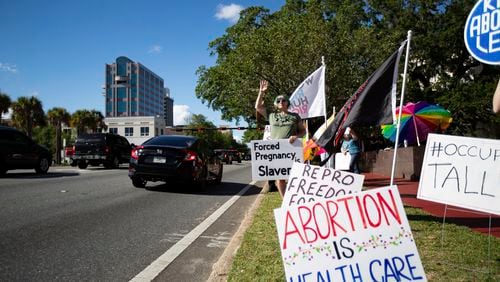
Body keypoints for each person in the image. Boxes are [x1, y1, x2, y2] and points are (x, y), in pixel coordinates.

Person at [255, 79, 305, 198]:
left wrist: (296, 136)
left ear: (288, 103)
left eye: (284, 100)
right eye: (278, 100)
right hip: (276, 151)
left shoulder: (295, 116)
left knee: (294, 176)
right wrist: (261, 92)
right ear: (276, 104)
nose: (281, 102)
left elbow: (303, 131)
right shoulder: (272, 116)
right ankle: (285, 201)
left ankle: (295, 197)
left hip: (291, 149)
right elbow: (257, 107)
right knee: (280, 177)